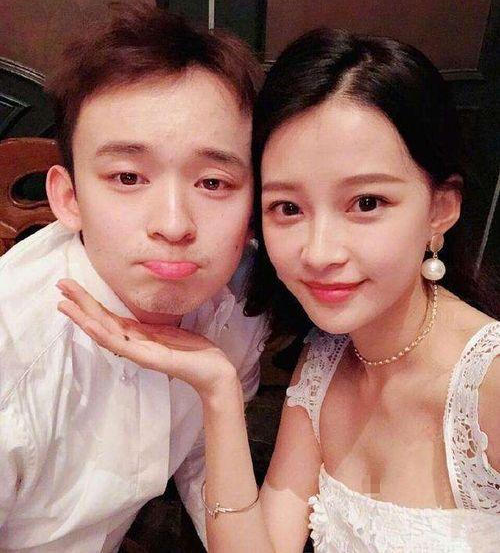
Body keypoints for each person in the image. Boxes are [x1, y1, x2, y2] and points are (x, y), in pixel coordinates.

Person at [54, 28, 500, 552]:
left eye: (366, 203)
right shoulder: (328, 359)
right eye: (288, 208)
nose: (319, 252)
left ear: (441, 209)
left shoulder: (489, 386)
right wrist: (218, 390)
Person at [0, 5, 267, 552]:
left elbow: (203, 462)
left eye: (213, 183)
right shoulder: (15, 351)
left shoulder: (238, 302)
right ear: (69, 198)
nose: (173, 224)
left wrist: (217, 392)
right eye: (127, 177)